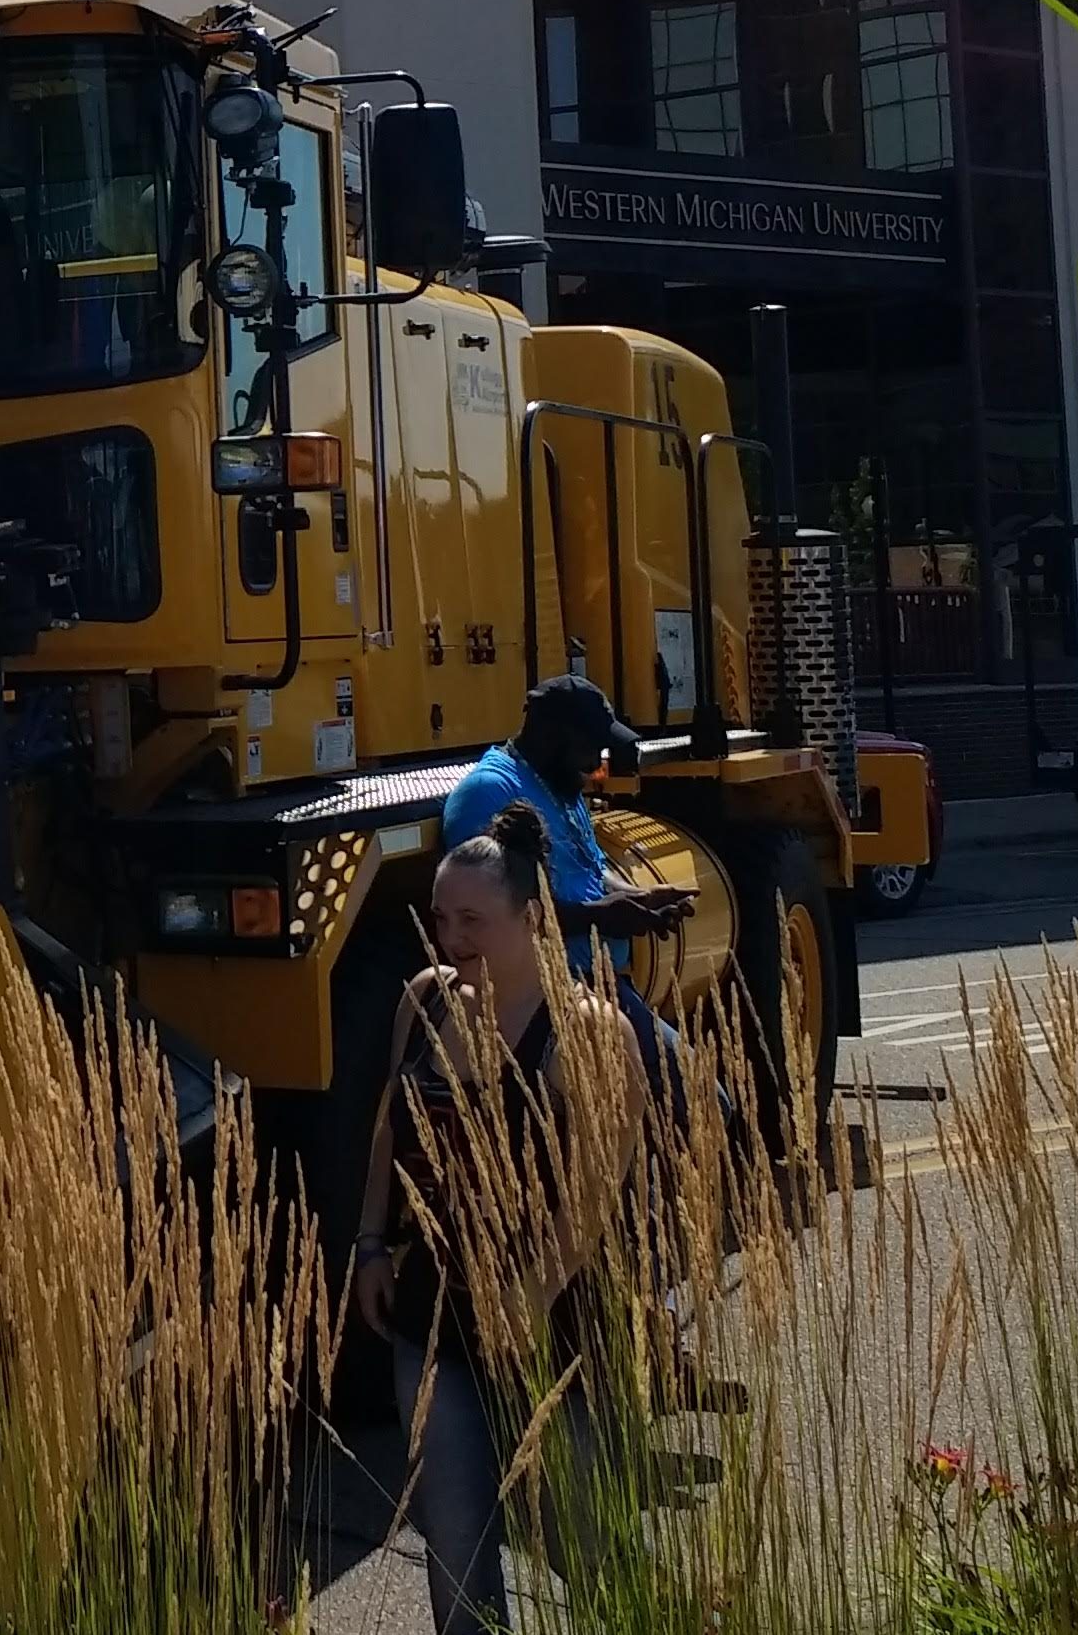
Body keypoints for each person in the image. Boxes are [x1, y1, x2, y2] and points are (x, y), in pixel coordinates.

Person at [350, 804, 647, 1635]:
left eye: (472, 919)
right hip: (433, 1315)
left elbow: (596, 1187)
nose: (451, 937)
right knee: (456, 1555)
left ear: (530, 918)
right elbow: (389, 1122)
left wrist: (531, 1291)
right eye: (442, 917)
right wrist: (371, 1241)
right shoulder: (425, 1000)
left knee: (592, 1548)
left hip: (553, 1329)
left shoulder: (585, 1033)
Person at [443, 674, 692, 1078]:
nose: (596, 762)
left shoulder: (561, 787)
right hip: (546, 996)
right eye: (589, 747)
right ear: (549, 735)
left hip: (601, 986)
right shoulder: (489, 792)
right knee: (701, 1100)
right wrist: (601, 916)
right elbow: (495, 915)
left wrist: (638, 898)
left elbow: (590, 871)